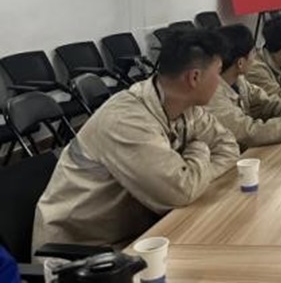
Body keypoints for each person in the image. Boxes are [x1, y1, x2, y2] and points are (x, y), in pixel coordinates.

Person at [32, 29, 239, 249]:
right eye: (218, 72)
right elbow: (181, 191)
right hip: (84, 250)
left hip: (137, 231)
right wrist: (200, 149)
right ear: (194, 77)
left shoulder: (185, 105)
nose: (220, 81)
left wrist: (197, 176)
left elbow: (228, 145)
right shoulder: (126, 120)